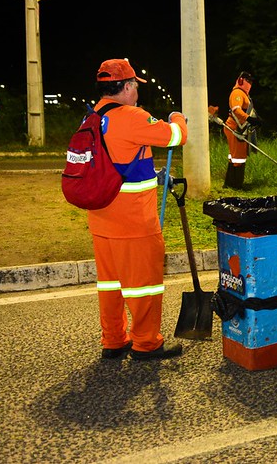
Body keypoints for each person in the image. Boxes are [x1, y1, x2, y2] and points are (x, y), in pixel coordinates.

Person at [90, 58, 188, 361]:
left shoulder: (93, 116)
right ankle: (146, 343)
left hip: (101, 217)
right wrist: (177, 117)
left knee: (110, 284)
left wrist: (153, 174)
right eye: (135, 86)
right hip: (132, 221)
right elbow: (176, 136)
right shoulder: (132, 116)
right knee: (142, 285)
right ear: (128, 86)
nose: (137, 92)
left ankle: (114, 340)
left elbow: (119, 160)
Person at [224, 71, 262, 189]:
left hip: (239, 128)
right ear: (241, 80)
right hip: (236, 129)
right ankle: (236, 185)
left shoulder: (243, 93)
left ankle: (229, 183)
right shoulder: (237, 93)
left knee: (234, 156)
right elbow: (236, 110)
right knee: (239, 158)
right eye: (248, 81)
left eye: (251, 81)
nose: (250, 84)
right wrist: (250, 119)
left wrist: (255, 119)